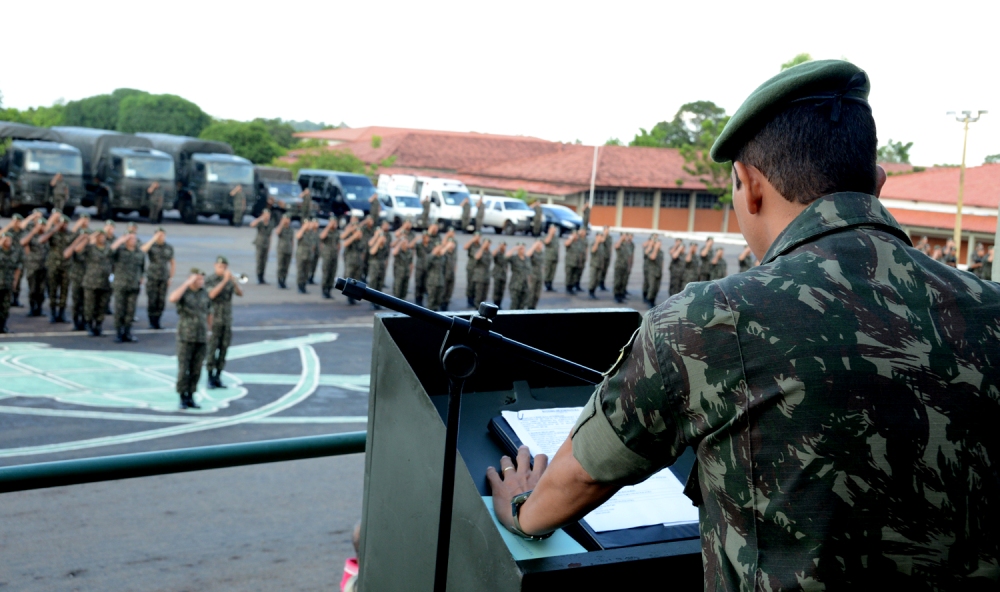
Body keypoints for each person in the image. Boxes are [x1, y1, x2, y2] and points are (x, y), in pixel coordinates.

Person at [486, 60, 1000, 589]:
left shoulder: (713, 320)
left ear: (751, 186)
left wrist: (522, 509)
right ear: (878, 183)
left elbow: (585, 472)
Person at [169, 269, 209, 410]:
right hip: (186, 337)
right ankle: (182, 396)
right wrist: (186, 283)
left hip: (201, 337)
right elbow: (172, 298)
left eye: (202, 279)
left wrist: (208, 330)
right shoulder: (184, 292)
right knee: (184, 369)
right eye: (198, 279)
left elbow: (209, 312)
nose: (201, 282)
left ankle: (191, 396)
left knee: (196, 369)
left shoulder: (204, 293)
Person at [205, 256, 242, 388]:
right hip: (214, 319)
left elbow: (240, 293)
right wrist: (225, 280)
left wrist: (233, 281)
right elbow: (211, 295)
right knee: (212, 349)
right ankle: (209, 376)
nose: (223, 269)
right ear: (215, 266)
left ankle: (218, 376)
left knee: (223, 349)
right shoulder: (210, 279)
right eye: (220, 267)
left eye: (225, 267)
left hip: (226, 320)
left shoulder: (229, 280)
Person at [71, 226, 114, 336]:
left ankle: (98, 326)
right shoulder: (90, 248)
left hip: (105, 282)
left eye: (103, 236)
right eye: (99, 236)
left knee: (102, 306)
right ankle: (89, 325)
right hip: (91, 282)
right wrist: (89, 238)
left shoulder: (109, 248)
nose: (101, 238)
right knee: (89, 306)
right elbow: (77, 249)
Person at [110, 229, 145, 343]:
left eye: (134, 238)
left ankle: (127, 332)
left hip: (133, 286)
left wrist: (141, 278)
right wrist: (120, 240)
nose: (132, 240)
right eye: (130, 238)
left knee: (130, 312)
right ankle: (119, 333)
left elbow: (142, 268)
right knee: (119, 310)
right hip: (121, 285)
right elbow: (109, 252)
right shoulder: (120, 251)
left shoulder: (139, 253)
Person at [38, 213, 73, 323]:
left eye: (65, 223)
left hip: (66, 267)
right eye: (62, 223)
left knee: (64, 291)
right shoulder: (53, 233)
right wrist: (54, 229)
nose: (64, 225)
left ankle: (61, 313)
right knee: (52, 290)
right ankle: (53, 313)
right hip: (53, 266)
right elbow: (41, 240)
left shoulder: (70, 235)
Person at [141, 227, 174, 329]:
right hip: (152, 277)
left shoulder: (168, 247)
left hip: (164, 277)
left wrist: (170, 277)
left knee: (161, 301)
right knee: (152, 300)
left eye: (162, 235)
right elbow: (142, 250)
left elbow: (172, 263)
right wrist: (153, 239)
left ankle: (158, 321)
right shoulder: (151, 245)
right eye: (159, 235)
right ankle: (151, 321)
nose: (161, 237)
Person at [20, 213, 49, 318]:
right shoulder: (31, 233)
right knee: (33, 289)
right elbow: (23, 242)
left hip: (44, 266)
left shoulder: (47, 236)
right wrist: (33, 232)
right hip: (32, 265)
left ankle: (39, 308)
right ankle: (32, 308)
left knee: (42, 290)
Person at [65, 216, 90, 330]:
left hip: (89, 276)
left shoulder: (91, 240)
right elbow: (67, 252)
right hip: (77, 275)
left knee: (87, 301)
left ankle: (85, 322)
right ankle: (76, 322)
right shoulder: (75, 237)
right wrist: (78, 239)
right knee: (76, 301)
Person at [0, 231, 22, 333]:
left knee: (5, 307)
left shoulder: (14, 252)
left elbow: (18, 267)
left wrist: (15, 281)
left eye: (9, 239)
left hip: (8, 283)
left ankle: (2, 326)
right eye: (6, 239)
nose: (7, 242)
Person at [366, 227, 389, 306]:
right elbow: (372, 251)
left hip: (381, 266)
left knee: (380, 284)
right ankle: (372, 303)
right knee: (373, 284)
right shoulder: (373, 242)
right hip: (374, 266)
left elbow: (386, 257)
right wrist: (378, 241)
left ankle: (378, 303)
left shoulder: (384, 246)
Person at [319, 217, 341, 299]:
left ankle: (329, 290)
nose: (334, 224)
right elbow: (321, 237)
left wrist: (337, 253)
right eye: (332, 222)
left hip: (334, 256)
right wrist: (328, 226)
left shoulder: (336, 232)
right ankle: (324, 290)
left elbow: (338, 244)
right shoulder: (326, 231)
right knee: (326, 273)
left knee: (332, 273)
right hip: (327, 256)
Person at [250, 208, 272, 284]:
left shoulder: (270, 224)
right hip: (259, 243)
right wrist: (260, 218)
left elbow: (270, 235)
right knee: (259, 261)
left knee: (264, 261)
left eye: (268, 215)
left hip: (266, 244)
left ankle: (262, 277)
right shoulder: (260, 223)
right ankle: (259, 277)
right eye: (265, 215)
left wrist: (270, 245)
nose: (267, 217)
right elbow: (252, 224)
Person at [295, 217, 318, 294]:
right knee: (300, 271)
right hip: (301, 255)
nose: (308, 225)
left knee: (306, 272)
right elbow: (297, 236)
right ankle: (300, 286)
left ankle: (304, 286)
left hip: (308, 255)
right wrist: (303, 228)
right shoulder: (301, 232)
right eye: (306, 224)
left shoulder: (311, 233)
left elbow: (314, 244)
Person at [425, 241, 449, 311]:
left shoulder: (443, 257)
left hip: (440, 282)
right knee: (431, 301)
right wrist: (433, 254)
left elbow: (445, 269)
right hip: (432, 282)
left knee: (438, 300)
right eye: (437, 247)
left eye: (440, 247)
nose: (439, 249)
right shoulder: (430, 257)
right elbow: (426, 266)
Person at [391, 231, 414, 300]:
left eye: (406, 242)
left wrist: (410, 273)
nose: (405, 244)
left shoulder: (409, 252)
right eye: (404, 243)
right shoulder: (399, 250)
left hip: (406, 273)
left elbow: (411, 263)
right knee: (397, 289)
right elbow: (394, 253)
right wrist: (400, 242)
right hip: (399, 273)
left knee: (404, 289)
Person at [506, 243, 530, 310]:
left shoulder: (527, 259)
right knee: (514, 304)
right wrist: (514, 248)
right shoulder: (514, 258)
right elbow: (506, 257)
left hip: (525, 286)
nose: (522, 250)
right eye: (520, 248)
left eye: (523, 248)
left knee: (522, 305)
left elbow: (529, 272)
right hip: (515, 285)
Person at [587, 228, 608, 299]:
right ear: (596, 236)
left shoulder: (602, 244)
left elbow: (605, 240)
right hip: (594, 265)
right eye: (599, 236)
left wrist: (604, 234)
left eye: (601, 236)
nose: (601, 237)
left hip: (600, 265)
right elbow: (593, 250)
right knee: (593, 279)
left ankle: (594, 291)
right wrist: (597, 242)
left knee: (598, 279)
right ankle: (591, 292)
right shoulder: (593, 242)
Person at [274, 213, 294, 289]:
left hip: (288, 250)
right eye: (286, 219)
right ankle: (279, 281)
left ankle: (284, 281)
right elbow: (277, 232)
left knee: (286, 267)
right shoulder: (281, 228)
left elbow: (292, 240)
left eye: (288, 219)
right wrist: (281, 223)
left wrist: (292, 250)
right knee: (280, 267)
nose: (287, 221)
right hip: (281, 250)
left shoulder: (291, 229)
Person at [471, 237, 492, 308]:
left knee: (484, 298)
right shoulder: (479, 250)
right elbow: (477, 257)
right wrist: (482, 247)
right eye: (486, 244)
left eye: (488, 244)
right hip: (479, 278)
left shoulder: (489, 252)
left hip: (486, 277)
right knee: (478, 298)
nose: (487, 245)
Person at [644, 235, 663, 306]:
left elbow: (662, 263)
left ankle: (653, 300)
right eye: (658, 244)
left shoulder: (661, 252)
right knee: (651, 287)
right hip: (651, 272)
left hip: (658, 272)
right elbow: (653, 257)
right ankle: (649, 300)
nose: (660, 245)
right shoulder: (651, 251)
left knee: (656, 288)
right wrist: (655, 248)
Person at [464, 233, 481, 307]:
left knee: (476, 285)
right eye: (476, 237)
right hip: (471, 267)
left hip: (478, 268)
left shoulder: (480, 246)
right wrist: (472, 240)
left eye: (478, 237)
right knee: (470, 284)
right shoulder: (471, 244)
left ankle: (474, 300)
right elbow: (465, 247)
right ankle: (469, 300)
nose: (477, 238)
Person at [442, 230, 458, 310]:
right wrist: (447, 236)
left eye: (452, 244)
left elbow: (455, 262)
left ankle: (446, 304)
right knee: (443, 291)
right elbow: (441, 252)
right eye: (450, 244)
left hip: (451, 274)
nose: (451, 245)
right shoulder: (444, 253)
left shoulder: (453, 253)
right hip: (444, 275)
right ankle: (442, 306)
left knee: (449, 291)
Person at [612, 233, 630, 303]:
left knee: (623, 282)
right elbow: (616, 246)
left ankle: (621, 295)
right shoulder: (619, 243)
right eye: (623, 236)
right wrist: (621, 239)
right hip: (619, 266)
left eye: (625, 236)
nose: (625, 237)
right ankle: (616, 295)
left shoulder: (626, 245)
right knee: (617, 282)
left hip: (625, 266)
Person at [527, 239, 544, 309]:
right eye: (538, 244)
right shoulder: (533, 252)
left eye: (541, 244)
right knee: (531, 294)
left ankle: (533, 308)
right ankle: (529, 308)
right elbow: (527, 255)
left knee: (537, 295)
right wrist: (534, 246)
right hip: (532, 276)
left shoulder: (542, 253)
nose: (540, 245)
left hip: (540, 276)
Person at [542, 225, 559, 291]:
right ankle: (546, 284)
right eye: (553, 229)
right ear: (549, 229)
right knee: (547, 272)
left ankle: (550, 285)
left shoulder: (556, 237)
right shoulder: (547, 236)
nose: (554, 231)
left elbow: (557, 247)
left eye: (555, 229)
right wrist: (550, 234)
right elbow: (546, 242)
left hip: (555, 257)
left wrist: (558, 256)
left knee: (552, 272)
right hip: (548, 257)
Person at [491, 242, 508, 307]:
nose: (503, 247)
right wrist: (498, 247)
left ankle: (499, 304)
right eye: (502, 246)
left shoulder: (506, 254)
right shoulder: (497, 254)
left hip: (503, 275)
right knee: (496, 291)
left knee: (501, 291)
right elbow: (492, 254)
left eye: (504, 246)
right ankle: (495, 303)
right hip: (497, 275)